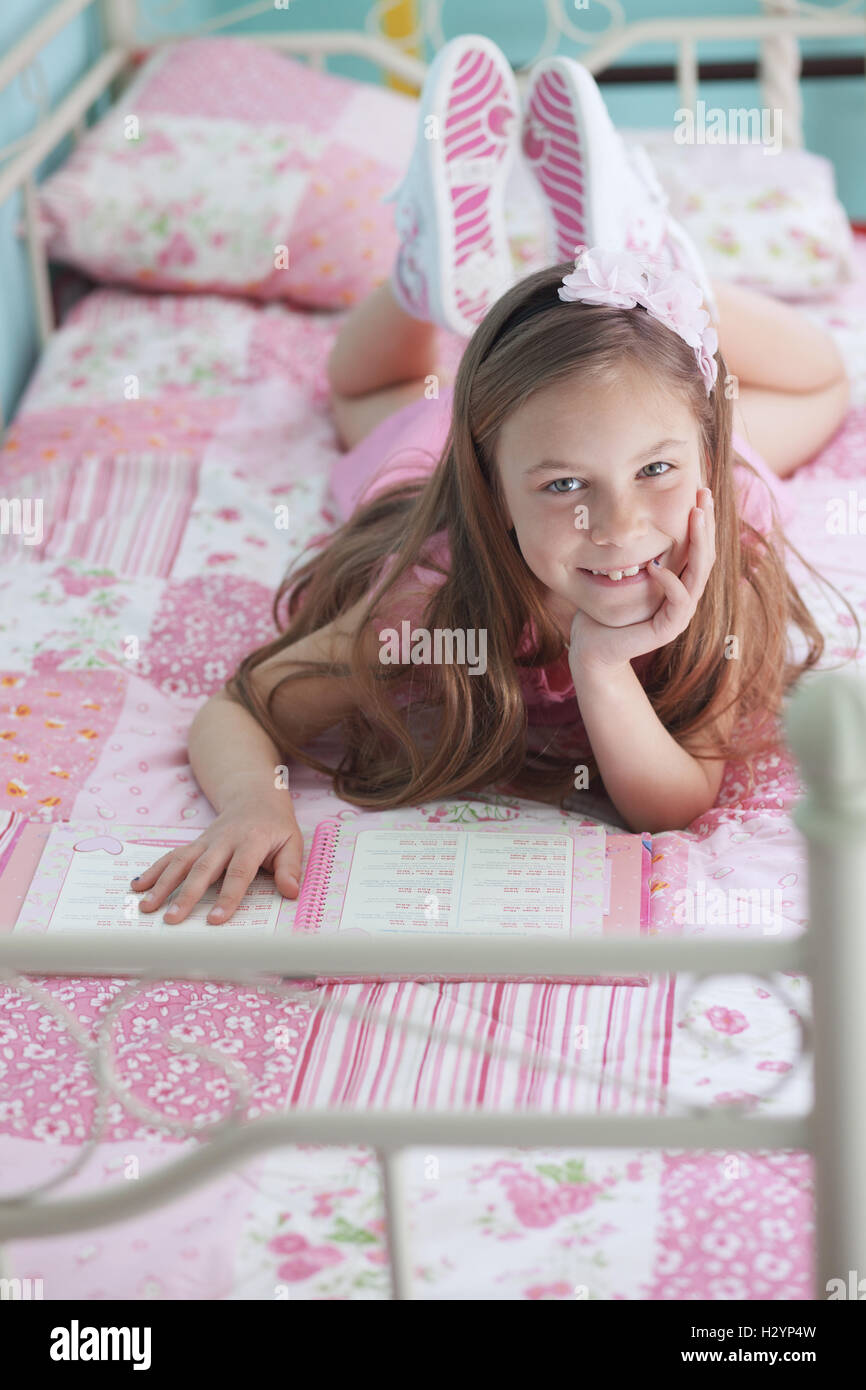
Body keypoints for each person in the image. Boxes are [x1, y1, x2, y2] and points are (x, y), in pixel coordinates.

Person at [130, 35, 858, 928]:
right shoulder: (426, 600)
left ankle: (651, 272)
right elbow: (241, 708)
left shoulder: (717, 559)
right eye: (563, 489)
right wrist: (253, 803)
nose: (620, 526)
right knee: (370, 397)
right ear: (486, 482)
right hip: (458, 441)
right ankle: (425, 276)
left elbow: (670, 807)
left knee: (827, 382)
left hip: (647, 434)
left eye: (656, 473)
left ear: (707, 451)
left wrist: (599, 660)